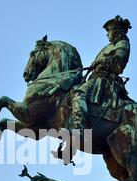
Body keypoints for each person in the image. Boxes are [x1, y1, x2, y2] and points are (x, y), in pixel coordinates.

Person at [54, 15, 132, 163]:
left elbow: (119, 64)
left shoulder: (122, 44)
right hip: (96, 78)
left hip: (105, 81)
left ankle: (77, 130)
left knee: (79, 93)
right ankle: (70, 145)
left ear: (116, 31)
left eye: (109, 30)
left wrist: (102, 61)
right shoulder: (110, 46)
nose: (107, 34)